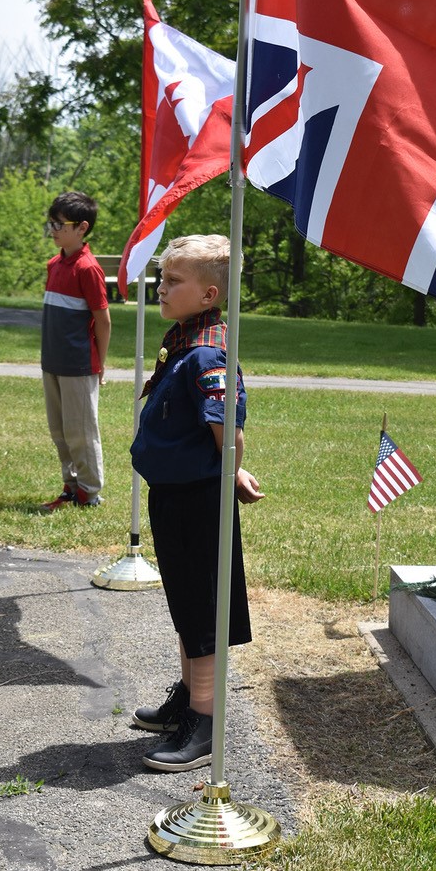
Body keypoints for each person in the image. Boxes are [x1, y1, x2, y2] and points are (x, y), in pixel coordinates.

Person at [129, 233, 264, 772]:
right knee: (187, 604)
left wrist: (233, 471)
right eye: (162, 279)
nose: (161, 288)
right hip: (175, 494)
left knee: (203, 611)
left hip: (196, 498)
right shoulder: (186, 335)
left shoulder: (207, 349)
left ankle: (205, 722)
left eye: (173, 281)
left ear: (209, 294)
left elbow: (226, 424)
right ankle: (189, 698)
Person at [38, 191, 111, 513]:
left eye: (59, 224)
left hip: (79, 365)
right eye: (50, 223)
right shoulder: (54, 264)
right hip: (52, 362)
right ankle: (70, 487)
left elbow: (103, 320)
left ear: (82, 228)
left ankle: (90, 492)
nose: (53, 229)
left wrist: (101, 363)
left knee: (81, 431)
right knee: (60, 431)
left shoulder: (88, 268)